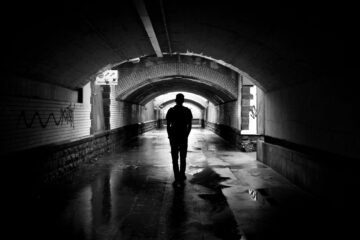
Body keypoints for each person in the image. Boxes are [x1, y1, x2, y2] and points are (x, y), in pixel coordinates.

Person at [166, 93, 193, 185]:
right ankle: (182, 174)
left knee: (174, 157)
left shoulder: (171, 110)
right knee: (183, 156)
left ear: (175, 100)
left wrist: (169, 135)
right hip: (183, 136)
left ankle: (176, 175)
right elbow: (190, 125)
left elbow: (168, 125)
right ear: (183, 100)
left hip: (173, 135)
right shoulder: (187, 111)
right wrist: (187, 135)